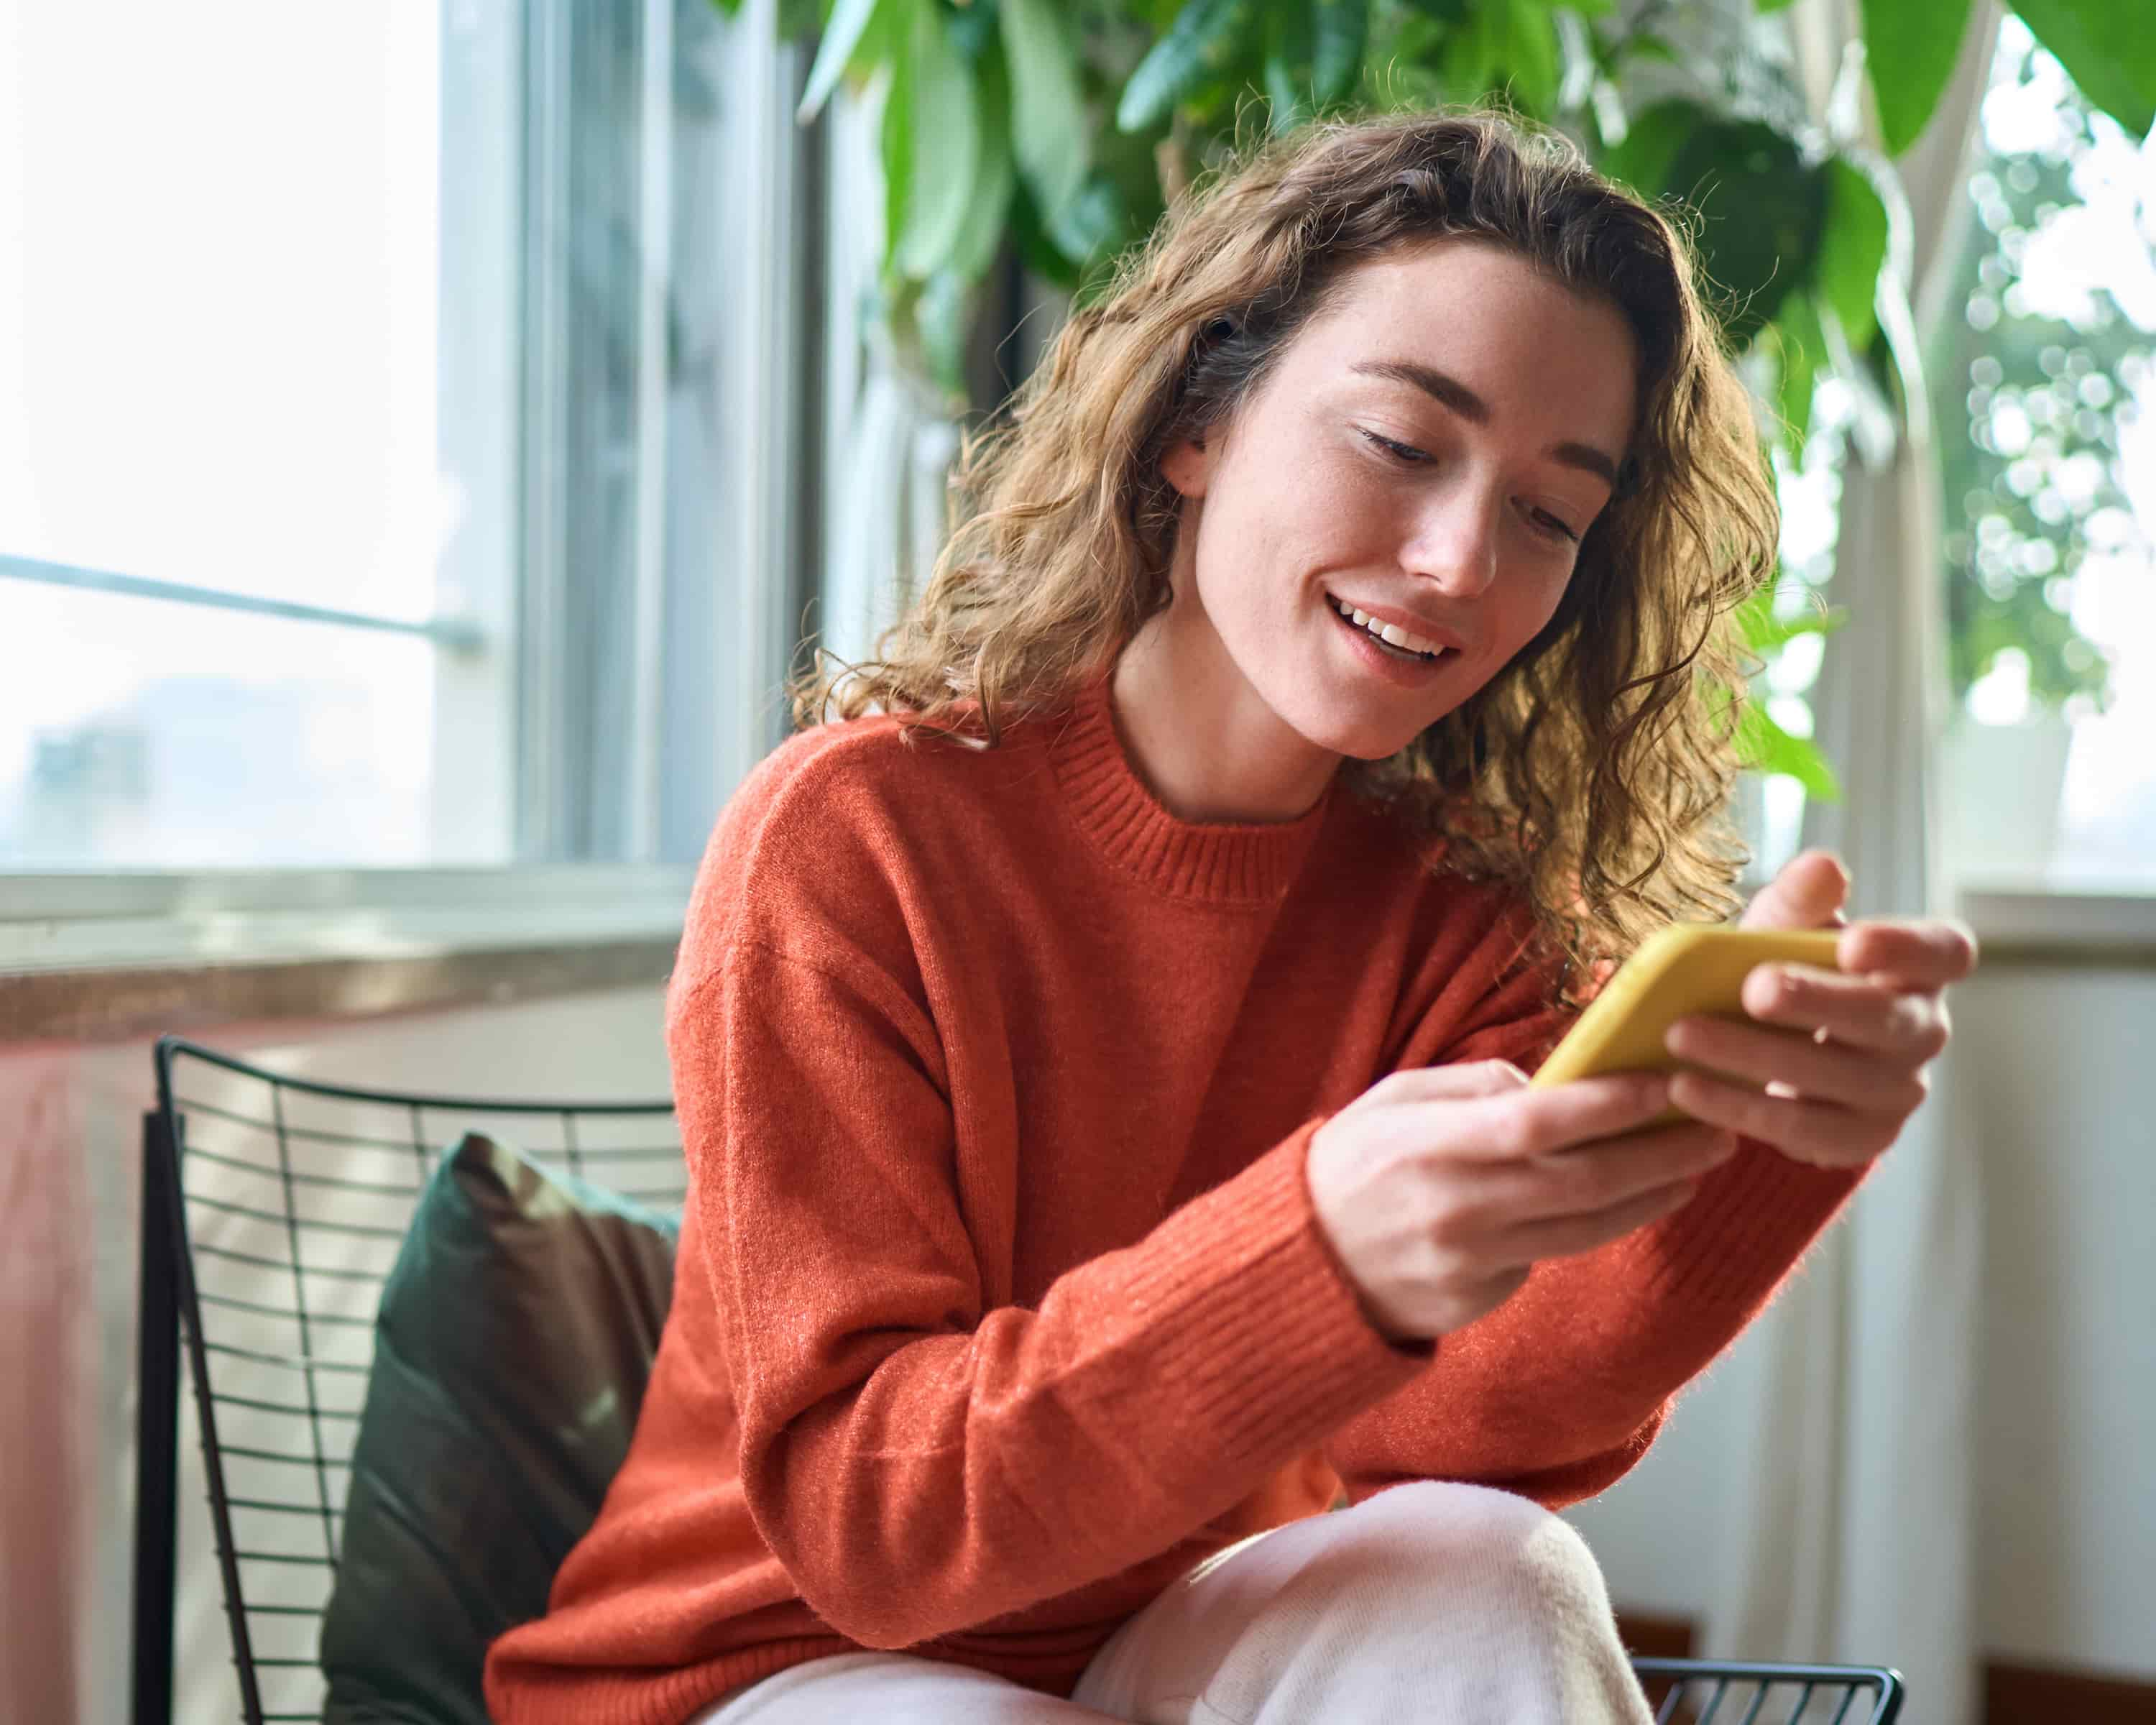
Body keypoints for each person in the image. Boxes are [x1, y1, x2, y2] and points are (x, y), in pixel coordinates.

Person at [483, 109, 1974, 1725]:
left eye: (1552, 514)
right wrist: (1316, 1244)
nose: (1464, 559)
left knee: (1497, 1575)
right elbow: (875, 1529)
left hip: (1166, 1649)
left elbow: (1460, 1443)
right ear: (1199, 418)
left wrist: (1752, 1151)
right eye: (1405, 445)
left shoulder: (1463, 921)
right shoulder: (855, 839)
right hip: (777, 1663)